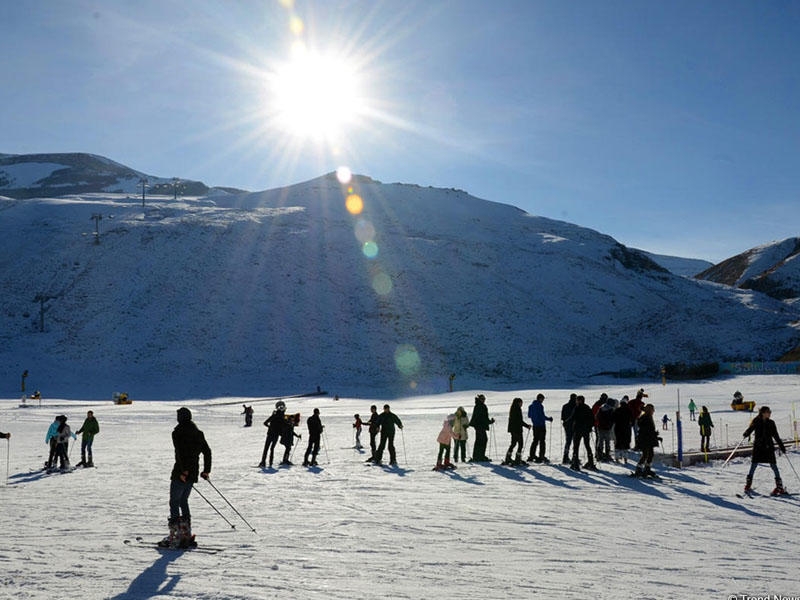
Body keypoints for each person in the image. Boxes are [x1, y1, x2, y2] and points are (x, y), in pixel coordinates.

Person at [159, 407, 211, 549]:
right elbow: (207, 452)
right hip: (193, 472)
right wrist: (206, 471)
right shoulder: (198, 432)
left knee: (174, 502)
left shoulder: (178, 432)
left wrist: (183, 471)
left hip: (181, 472)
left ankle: (176, 537)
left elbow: (179, 453)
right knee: (183, 501)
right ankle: (186, 534)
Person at [742, 406, 787, 496]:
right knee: (754, 465)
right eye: (768, 412)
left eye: (770, 411)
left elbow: (776, 436)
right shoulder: (756, 421)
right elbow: (750, 429)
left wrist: (782, 446)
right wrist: (746, 433)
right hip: (758, 447)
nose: (770, 413)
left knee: (774, 466)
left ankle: (779, 487)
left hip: (768, 447)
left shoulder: (771, 423)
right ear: (763, 413)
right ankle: (748, 485)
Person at [632, 404, 661, 478]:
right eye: (652, 410)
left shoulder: (647, 417)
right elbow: (647, 430)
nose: (653, 411)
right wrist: (654, 434)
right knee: (645, 454)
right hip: (645, 439)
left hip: (648, 439)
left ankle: (647, 468)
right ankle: (639, 469)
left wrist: (655, 435)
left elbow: (649, 430)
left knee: (650, 454)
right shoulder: (645, 418)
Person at [570, 395, 596, 471]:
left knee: (576, 447)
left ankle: (575, 464)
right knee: (587, 446)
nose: (576, 401)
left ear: (580, 401)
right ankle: (591, 463)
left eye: (577, 400)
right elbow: (592, 419)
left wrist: (565, 422)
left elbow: (572, 417)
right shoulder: (587, 408)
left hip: (578, 430)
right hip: (586, 430)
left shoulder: (577, 408)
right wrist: (590, 427)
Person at [503, 397, 530, 466]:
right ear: (518, 403)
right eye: (521, 403)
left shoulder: (513, 409)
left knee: (513, 443)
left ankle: (508, 457)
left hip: (513, 429)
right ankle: (517, 459)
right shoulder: (517, 409)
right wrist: (527, 426)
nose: (521, 404)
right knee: (520, 444)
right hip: (517, 430)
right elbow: (519, 421)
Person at [259, 400, 286, 468]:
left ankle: (263, 462)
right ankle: (270, 463)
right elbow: (283, 427)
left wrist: (270, 427)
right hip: (276, 435)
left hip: (270, 434)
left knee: (266, 448)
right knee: (272, 449)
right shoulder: (282, 418)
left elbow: (265, 423)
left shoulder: (274, 415)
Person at [527, 393, 553, 463]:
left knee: (535, 440)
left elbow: (529, 415)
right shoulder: (540, 406)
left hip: (535, 426)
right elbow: (542, 416)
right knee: (542, 441)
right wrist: (549, 419)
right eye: (542, 399)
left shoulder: (530, 406)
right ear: (540, 398)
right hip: (541, 426)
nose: (542, 401)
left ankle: (532, 455)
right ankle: (541, 456)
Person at [468, 394, 494, 462]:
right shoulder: (481, 406)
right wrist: (489, 422)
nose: (484, 400)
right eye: (482, 399)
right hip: (480, 426)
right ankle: (480, 456)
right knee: (483, 440)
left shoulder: (478, 406)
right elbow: (483, 418)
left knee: (479, 440)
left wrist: (489, 422)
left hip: (478, 426)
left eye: (484, 399)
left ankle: (477, 456)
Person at [612, 398, 633, 464]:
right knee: (626, 444)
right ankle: (625, 459)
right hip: (627, 429)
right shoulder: (629, 410)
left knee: (618, 444)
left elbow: (613, 419)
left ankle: (617, 458)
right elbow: (632, 420)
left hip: (618, 428)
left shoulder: (617, 410)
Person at [595, 397, 616, 462]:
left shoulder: (601, 408)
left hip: (600, 427)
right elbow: (613, 419)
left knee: (600, 442)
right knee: (607, 442)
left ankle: (599, 455)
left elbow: (596, 417)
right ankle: (607, 455)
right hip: (608, 428)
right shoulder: (611, 410)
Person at [560, 393, 577, 464]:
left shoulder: (565, 406)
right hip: (575, 426)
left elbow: (562, 417)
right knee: (575, 442)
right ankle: (574, 457)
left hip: (567, 426)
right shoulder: (576, 406)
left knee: (568, 441)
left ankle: (565, 457)